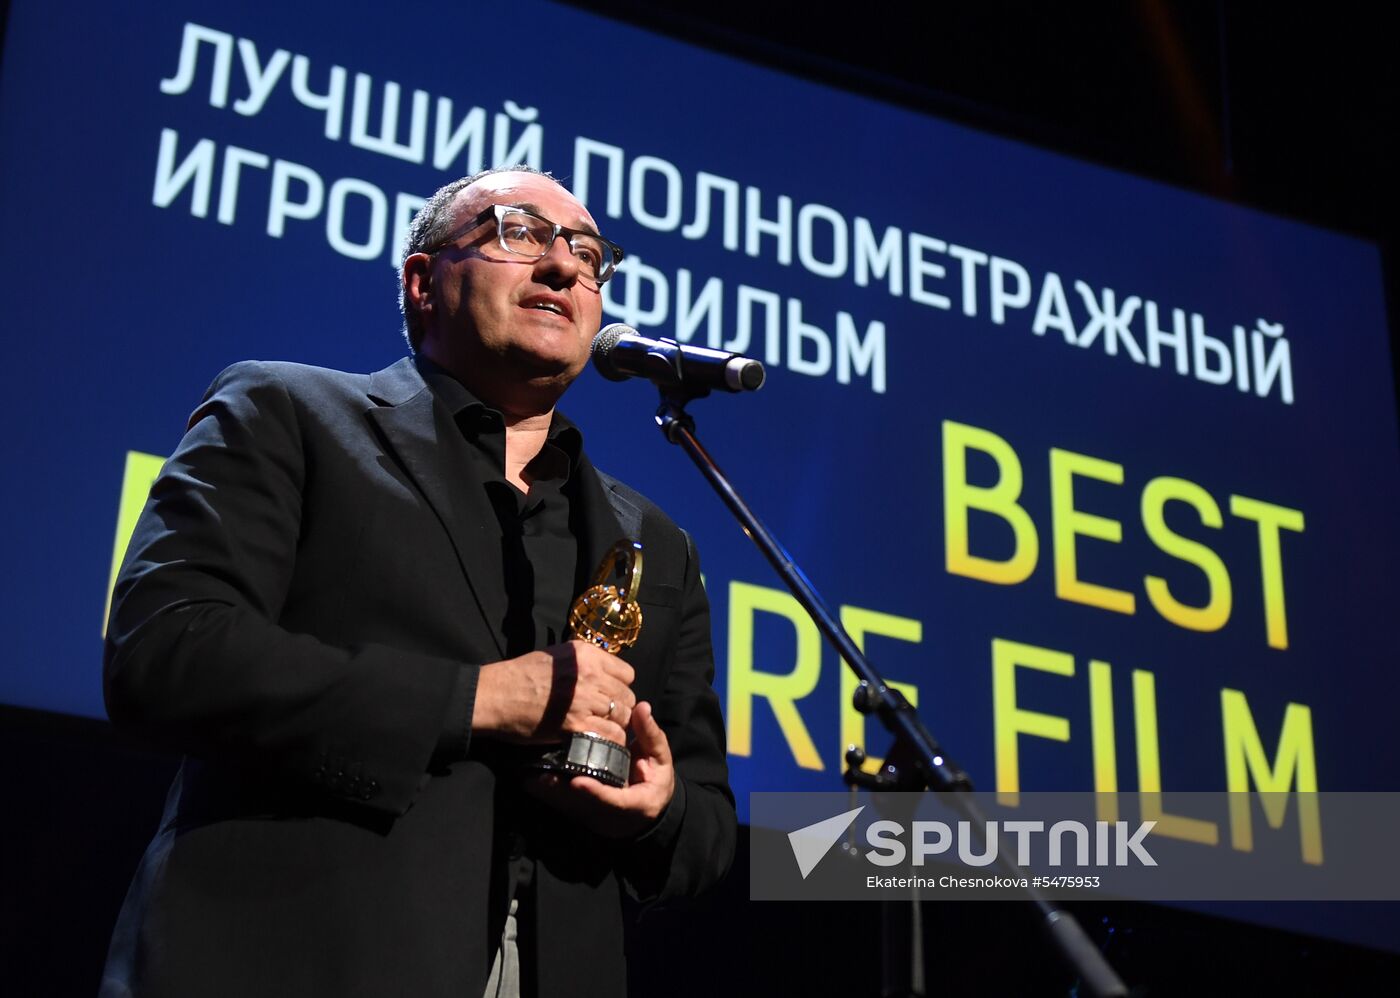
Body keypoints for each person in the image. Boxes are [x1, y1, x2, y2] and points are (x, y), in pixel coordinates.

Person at [101, 167, 736, 998]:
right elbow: (165, 653)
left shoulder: (656, 544)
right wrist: (481, 700)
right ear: (422, 282)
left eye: (587, 254)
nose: (563, 267)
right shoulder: (288, 414)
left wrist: (655, 808)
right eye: (520, 234)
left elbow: (708, 833)